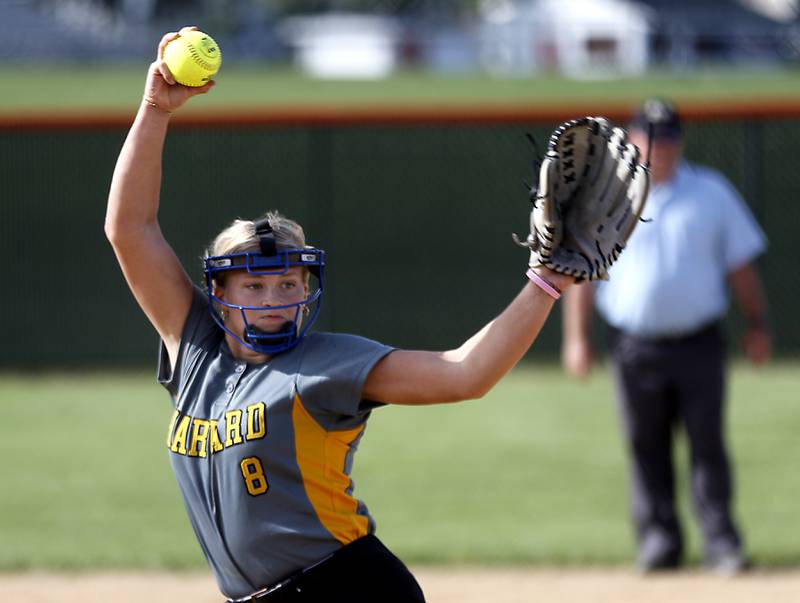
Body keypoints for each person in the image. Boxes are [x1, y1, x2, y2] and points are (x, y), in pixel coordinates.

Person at [105, 27, 576, 603]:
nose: (275, 299)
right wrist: (155, 107)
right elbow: (129, 229)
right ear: (220, 289)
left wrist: (546, 283)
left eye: (288, 283)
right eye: (254, 284)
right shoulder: (196, 345)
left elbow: (464, 373)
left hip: (346, 588)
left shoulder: (326, 363)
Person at [561, 98, 771, 575]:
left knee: (707, 444)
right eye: (650, 137)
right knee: (644, 444)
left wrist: (757, 324)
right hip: (634, 343)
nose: (660, 148)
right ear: (632, 140)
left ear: (680, 142)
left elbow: (741, 267)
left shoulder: (711, 192)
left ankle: (721, 544)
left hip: (699, 340)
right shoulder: (607, 197)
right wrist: (577, 339)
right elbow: (583, 275)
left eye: (668, 138)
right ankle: (659, 543)